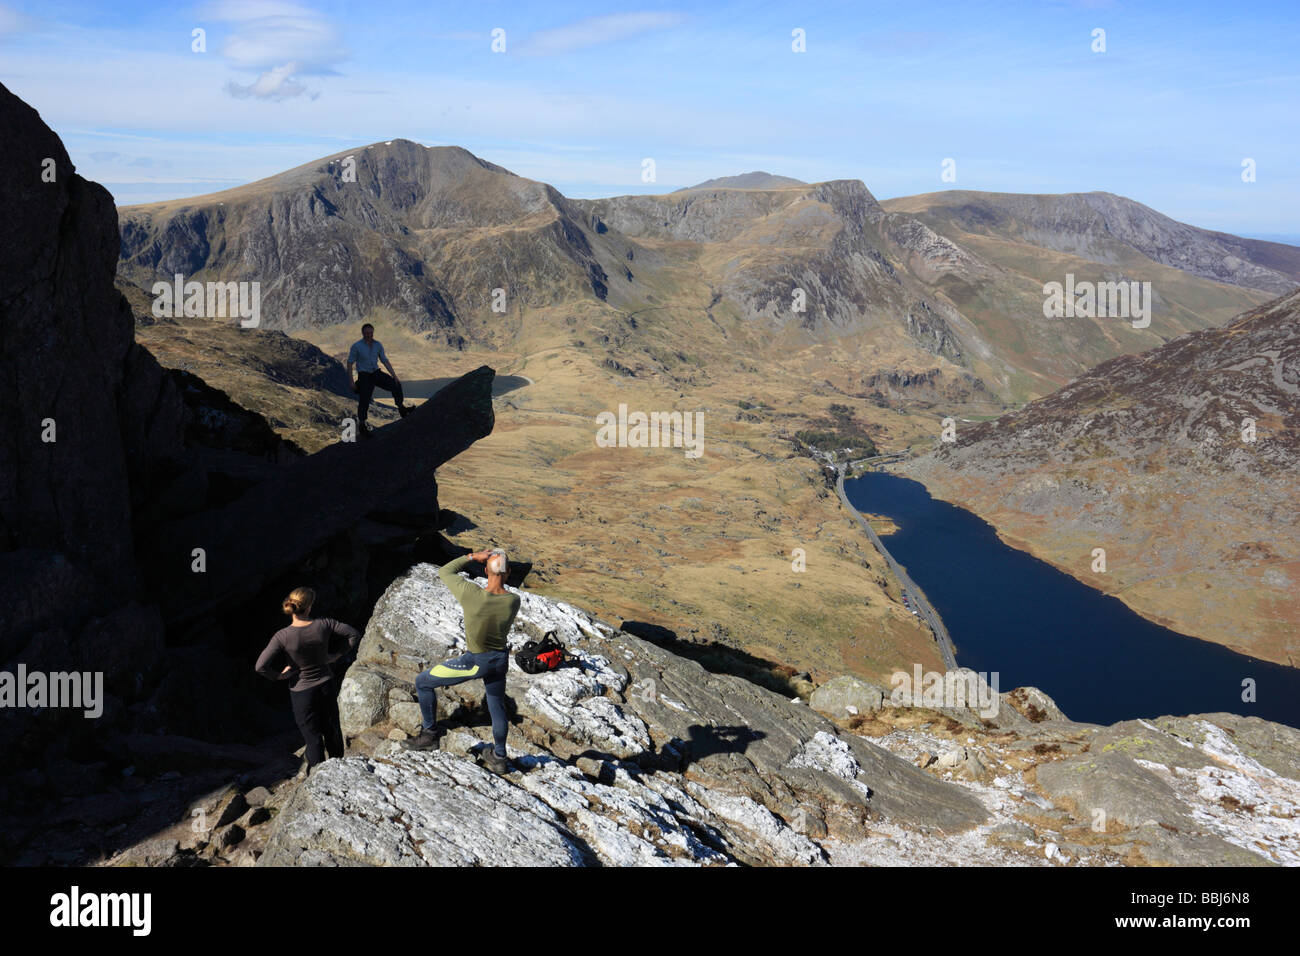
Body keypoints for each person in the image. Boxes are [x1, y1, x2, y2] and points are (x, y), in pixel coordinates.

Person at [406, 549, 520, 774]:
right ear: (508, 572)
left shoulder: (471, 594)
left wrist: (471, 557)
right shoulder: (512, 601)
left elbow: (446, 571)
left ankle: (429, 735)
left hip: (477, 660)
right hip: (499, 660)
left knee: (423, 682)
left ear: (485, 570)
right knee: (496, 705)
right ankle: (499, 756)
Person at [255, 587, 360, 773]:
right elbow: (353, 635)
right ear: (309, 607)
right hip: (326, 684)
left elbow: (260, 666)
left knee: (312, 737)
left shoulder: (282, 636)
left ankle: (318, 773)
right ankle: (339, 770)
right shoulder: (324, 624)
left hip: (301, 692)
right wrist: (335, 655)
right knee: (332, 730)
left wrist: (279, 676)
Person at [346, 322, 411, 435]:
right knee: (364, 400)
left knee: (396, 385)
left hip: (376, 373)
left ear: (373, 333)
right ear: (362, 333)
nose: (369, 335)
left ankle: (402, 409)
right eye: (366, 333)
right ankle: (362, 425)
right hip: (364, 376)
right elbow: (350, 363)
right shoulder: (356, 346)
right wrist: (351, 381)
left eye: (370, 332)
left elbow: (384, 360)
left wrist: (394, 376)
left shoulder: (378, 345)